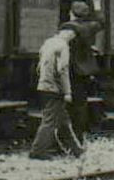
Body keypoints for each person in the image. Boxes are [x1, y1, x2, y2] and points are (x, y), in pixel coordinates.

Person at [29, 23, 84, 159]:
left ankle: (76, 150)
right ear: (66, 32)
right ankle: (38, 151)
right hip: (55, 89)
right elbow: (62, 69)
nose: (71, 37)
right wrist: (67, 92)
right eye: (72, 34)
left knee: (63, 121)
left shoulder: (48, 43)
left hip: (44, 85)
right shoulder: (63, 46)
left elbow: (39, 65)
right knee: (50, 121)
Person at [66, 0, 106, 134]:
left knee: (69, 103)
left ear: (71, 13)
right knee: (81, 103)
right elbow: (101, 22)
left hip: (71, 69)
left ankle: (71, 134)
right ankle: (79, 134)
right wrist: (98, 4)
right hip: (85, 70)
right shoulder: (91, 27)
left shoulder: (69, 27)